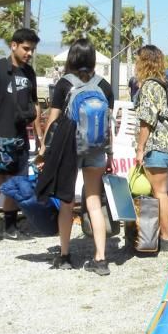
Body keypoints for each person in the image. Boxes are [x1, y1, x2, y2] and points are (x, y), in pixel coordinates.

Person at [46, 39, 114, 273]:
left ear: (72, 58)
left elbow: (53, 120)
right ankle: (101, 259)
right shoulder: (105, 86)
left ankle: (65, 255)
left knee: (67, 202)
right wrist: (110, 154)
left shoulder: (65, 84)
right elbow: (109, 124)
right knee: (94, 201)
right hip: (96, 149)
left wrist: (45, 149)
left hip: (69, 147)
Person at [0, 27, 41, 250]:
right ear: (13, 45)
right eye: (25, 48)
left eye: (32, 49)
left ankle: (10, 228)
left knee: (16, 184)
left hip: (21, 138)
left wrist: (40, 136)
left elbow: (36, 105)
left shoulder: (30, 73)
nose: (29, 53)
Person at [134, 45, 168, 253]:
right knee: (165, 192)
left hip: (156, 145)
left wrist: (140, 148)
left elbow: (146, 121)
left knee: (158, 192)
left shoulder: (149, 86)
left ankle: (165, 239)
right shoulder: (163, 84)